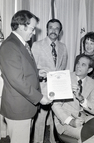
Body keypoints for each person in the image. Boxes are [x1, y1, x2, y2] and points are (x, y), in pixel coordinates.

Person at [0, 10, 52, 143]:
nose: (34, 32)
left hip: (25, 107)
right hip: (18, 109)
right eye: (32, 28)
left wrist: (37, 72)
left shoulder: (21, 43)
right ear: (22, 26)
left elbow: (21, 69)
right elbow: (17, 80)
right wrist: (40, 98)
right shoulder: (10, 46)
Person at [31, 19, 68, 143]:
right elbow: (31, 69)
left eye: (56, 28)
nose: (53, 30)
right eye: (51, 27)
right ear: (47, 29)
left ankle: (53, 141)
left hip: (58, 89)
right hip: (42, 88)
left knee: (56, 119)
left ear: (60, 32)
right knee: (40, 120)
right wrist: (39, 74)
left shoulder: (63, 47)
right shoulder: (37, 45)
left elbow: (63, 68)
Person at [52, 54, 94, 143]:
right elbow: (55, 105)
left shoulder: (92, 83)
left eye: (83, 64)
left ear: (89, 70)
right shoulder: (65, 78)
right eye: (78, 63)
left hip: (83, 117)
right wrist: (71, 121)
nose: (78, 66)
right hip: (65, 121)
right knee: (87, 135)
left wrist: (81, 99)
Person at [74, 32, 94, 106]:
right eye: (86, 43)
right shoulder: (79, 58)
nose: (89, 46)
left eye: (91, 43)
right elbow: (75, 75)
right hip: (83, 86)